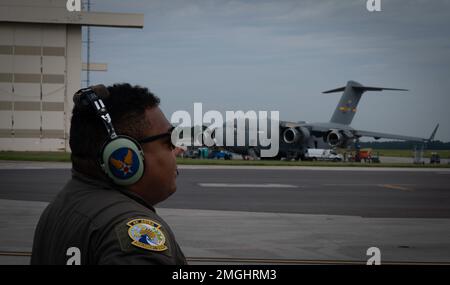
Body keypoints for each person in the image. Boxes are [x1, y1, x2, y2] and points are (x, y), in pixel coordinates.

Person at [31, 83, 187, 265]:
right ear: (124, 155)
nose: (176, 150)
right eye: (168, 141)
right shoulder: (133, 235)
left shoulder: (64, 204)